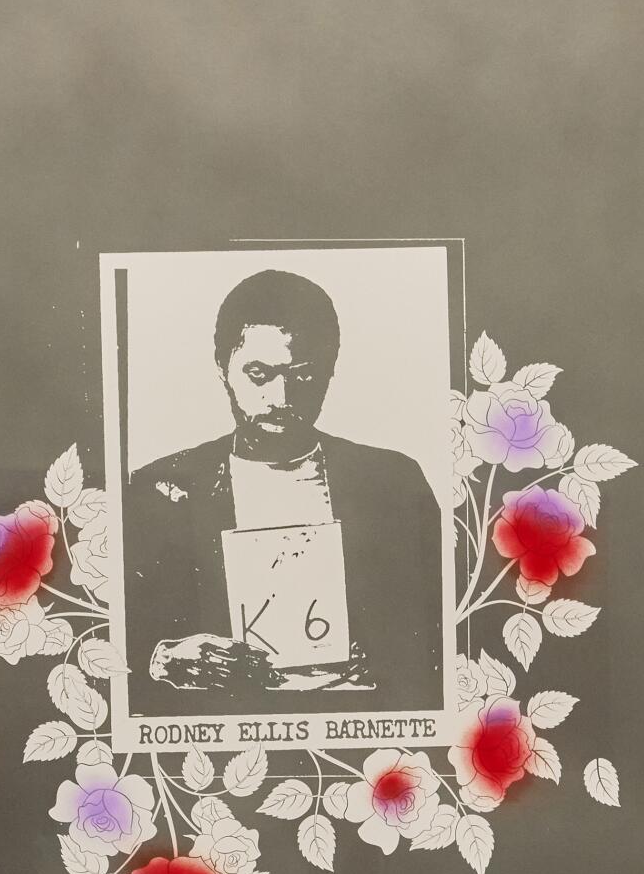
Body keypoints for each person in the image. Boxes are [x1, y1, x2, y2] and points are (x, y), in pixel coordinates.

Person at [123, 267, 443, 709]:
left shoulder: (394, 482)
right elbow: (116, 634)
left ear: (330, 372)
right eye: (259, 373)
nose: (282, 397)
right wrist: (160, 658)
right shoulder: (160, 488)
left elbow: (446, 631)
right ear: (222, 368)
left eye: (304, 376)